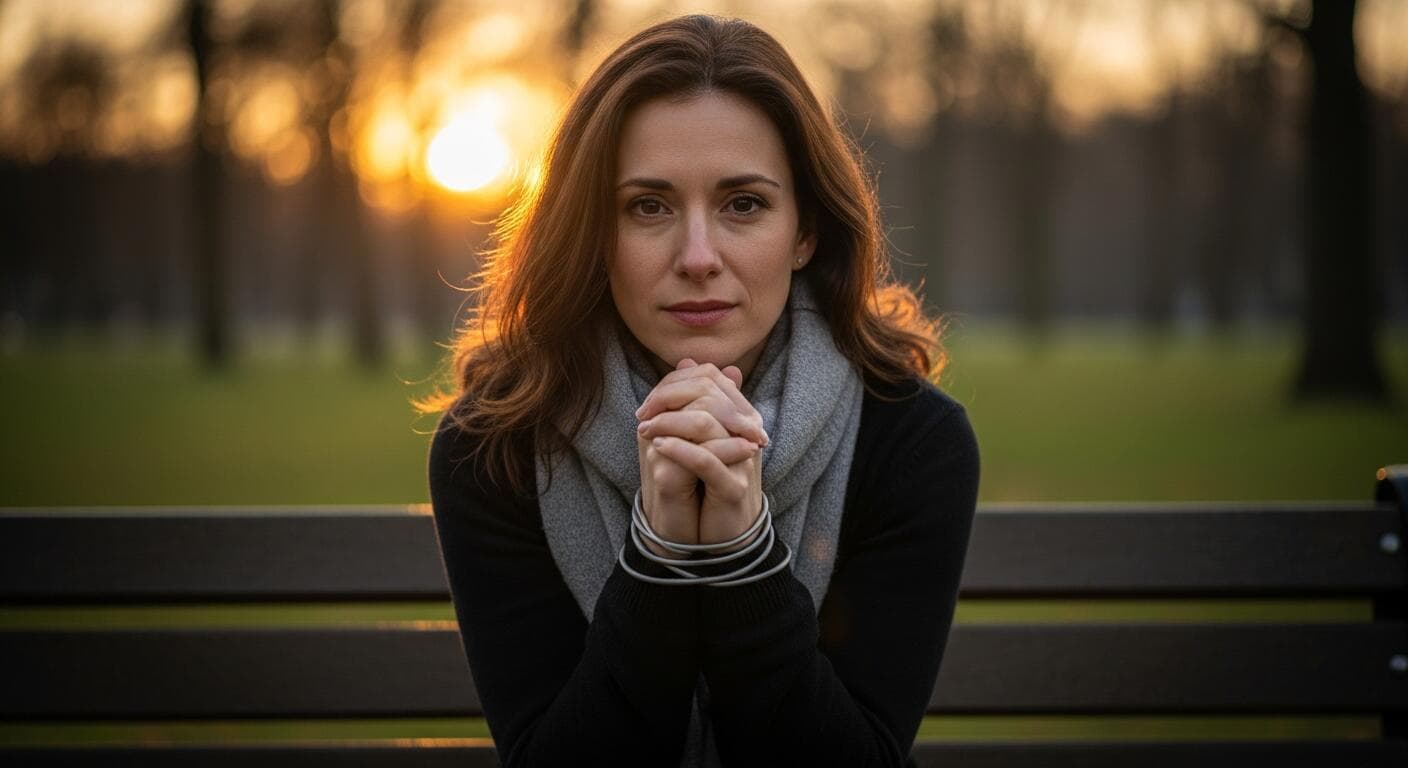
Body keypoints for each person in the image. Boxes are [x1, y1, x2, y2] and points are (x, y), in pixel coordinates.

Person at [425, 14, 979, 768]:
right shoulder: (493, 447)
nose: (697, 257)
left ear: (806, 231)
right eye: (647, 206)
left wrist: (741, 554)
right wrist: (658, 556)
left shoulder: (912, 441)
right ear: (593, 234)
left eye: (743, 204)